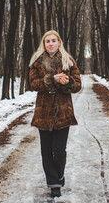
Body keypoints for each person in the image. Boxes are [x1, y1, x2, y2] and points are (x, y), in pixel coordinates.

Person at [29, 30, 81, 198]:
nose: (50, 43)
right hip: (43, 113)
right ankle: (54, 184)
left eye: (53, 40)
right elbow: (33, 84)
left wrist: (67, 82)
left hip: (63, 113)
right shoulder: (37, 62)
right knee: (46, 151)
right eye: (47, 41)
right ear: (44, 44)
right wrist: (52, 79)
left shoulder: (68, 61)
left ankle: (59, 175)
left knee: (59, 150)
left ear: (59, 42)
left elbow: (78, 85)